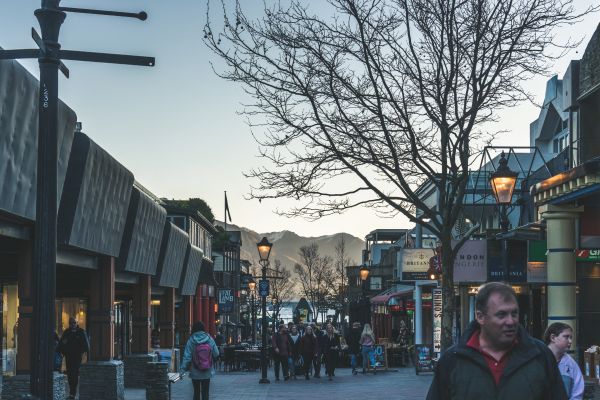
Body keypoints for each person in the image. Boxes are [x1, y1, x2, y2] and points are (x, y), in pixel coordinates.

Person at [427, 282, 568, 400]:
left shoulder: (540, 355)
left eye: (514, 313)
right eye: (501, 315)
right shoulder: (453, 360)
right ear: (480, 317)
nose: (511, 321)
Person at [180, 321, 220, 400]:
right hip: (207, 371)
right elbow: (216, 353)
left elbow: (187, 356)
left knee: (196, 393)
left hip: (195, 371)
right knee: (205, 393)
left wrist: (182, 369)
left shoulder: (191, 340)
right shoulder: (209, 338)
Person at [544, 322, 584, 400]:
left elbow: (577, 393)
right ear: (553, 338)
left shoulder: (571, 364)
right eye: (566, 337)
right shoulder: (538, 359)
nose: (570, 341)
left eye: (571, 337)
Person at [58, 317, 90, 400]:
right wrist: (63, 352)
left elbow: (86, 346)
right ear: (69, 324)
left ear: (77, 323)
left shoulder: (81, 332)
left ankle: (73, 394)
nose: (72, 324)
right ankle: (71, 393)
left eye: (74, 323)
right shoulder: (67, 332)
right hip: (68, 356)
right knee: (69, 375)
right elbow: (61, 344)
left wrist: (80, 352)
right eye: (71, 323)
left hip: (76, 357)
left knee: (74, 374)